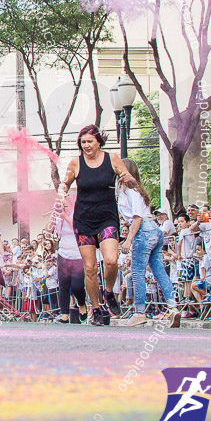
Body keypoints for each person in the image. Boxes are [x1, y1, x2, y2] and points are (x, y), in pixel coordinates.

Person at [56, 125, 135, 326]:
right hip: (83, 219)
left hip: (107, 217)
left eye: (90, 141)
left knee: (111, 261)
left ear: (99, 141)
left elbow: (130, 180)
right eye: (83, 142)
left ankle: (108, 293)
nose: (86, 145)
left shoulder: (112, 159)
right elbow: (65, 183)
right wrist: (63, 190)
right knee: (90, 268)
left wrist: (128, 178)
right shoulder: (76, 163)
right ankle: (96, 309)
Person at [115, 159, 179, 327]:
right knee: (158, 270)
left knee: (137, 273)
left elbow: (137, 217)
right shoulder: (131, 190)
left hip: (144, 230)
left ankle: (139, 312)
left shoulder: (131, 191)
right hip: (154, 231)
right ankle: (173, 308)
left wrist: (128, 239)